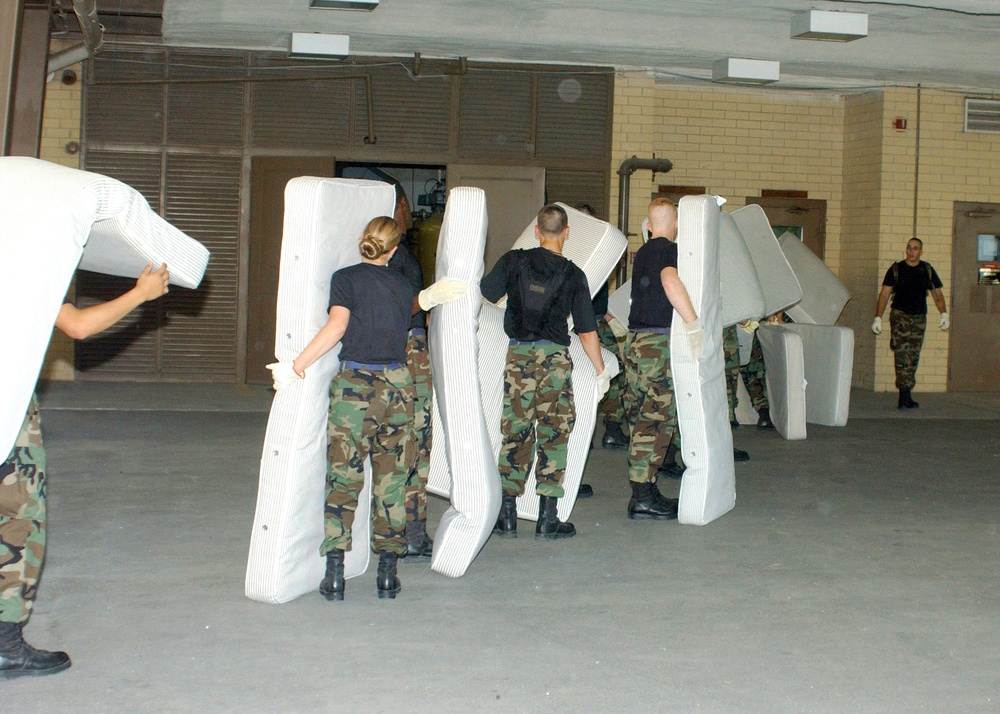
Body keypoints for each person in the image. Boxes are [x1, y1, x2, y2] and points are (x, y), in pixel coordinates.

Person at [268, 217, 464, 601]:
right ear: (394, 250)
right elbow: (406, 318)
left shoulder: (345, 278)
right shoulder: (403, 284)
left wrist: (296, 365)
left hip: (355, 390)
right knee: (392, 482)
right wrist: (426, 298)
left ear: (364, 242)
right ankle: (388, 575)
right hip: (397, 387)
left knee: (343, 480)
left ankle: (335, 574)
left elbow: (337, 326)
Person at [1, 263, 170, 679]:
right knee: (18, 523)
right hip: (6, 405)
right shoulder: (19, 258)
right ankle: (5, 647)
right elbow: (77, 325)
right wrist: (140, 294)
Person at [481, 204, 610, 540]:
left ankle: (506, 514)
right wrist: (600, 371)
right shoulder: (573, 275)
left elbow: (484, 292)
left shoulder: (513, 261)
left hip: (519, 359)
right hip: (554, 361)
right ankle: (547, 518)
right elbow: (586, 332)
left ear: (536, 231)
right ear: (566, 233)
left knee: (515, 430)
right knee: (554, 432)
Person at [624, 197, 703, 520]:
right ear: (675, 224)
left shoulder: (642, 252)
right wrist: (693, 324)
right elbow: (671, 283)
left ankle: (647, 485)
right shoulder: (668, 251)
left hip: (637, 343)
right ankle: (642, 496)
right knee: (655, 420)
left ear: (648, 224)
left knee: (642, 417)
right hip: (657, 344)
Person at [387, 187, 433, 559]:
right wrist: (428, 301)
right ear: (401, 206)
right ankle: (413, 532)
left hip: (390, 351)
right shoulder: (400, 258)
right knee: (416, 440)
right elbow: (405, 306)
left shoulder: (374, 263)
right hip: (410, 352)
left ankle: (393, 529)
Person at [872, 237, 949, 409]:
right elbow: (884, 294)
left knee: (913, 355)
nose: (912, 251)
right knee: (902, 354)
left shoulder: (926, 270)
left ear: (921, 251)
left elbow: (938, 294)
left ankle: (906, 391)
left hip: (919, 317)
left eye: (915, 248)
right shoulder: (896, 269)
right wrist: (878, 317)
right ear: (906, 250)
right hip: (900, 315)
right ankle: (904, 394)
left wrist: (944, 313)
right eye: (909, 248)